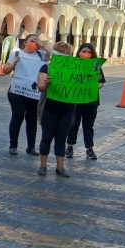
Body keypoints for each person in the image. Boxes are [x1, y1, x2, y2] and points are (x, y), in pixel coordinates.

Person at [36, 42, 77, 177]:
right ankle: (43, 165)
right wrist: (45, 84)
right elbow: (40, 86)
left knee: (61, 138)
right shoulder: (46, 67)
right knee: (46, 136)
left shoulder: (74, 69)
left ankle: (60, 167)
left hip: (68, 108)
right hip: (50, 107)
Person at [3, 34, 44, 156]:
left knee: (32, 120)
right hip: (17, 92)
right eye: (32, 41)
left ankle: (31, 147)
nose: (34, 44)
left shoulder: (41, 55)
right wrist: (13, 64)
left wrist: (42, 45)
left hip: (34, 93)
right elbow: (5, 70)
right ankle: (13, 145)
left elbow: (54, 54)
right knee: (17, 117)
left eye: (36, 42)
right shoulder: (16, 54)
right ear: (25, 42)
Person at [66, 43, 105, 160]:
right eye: (84, 51)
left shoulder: (96, 65)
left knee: (88, 125)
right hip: (76, 100)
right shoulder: (74, 65)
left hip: (91, 100)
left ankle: (89, 148)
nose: (86, 54)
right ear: (78, 52)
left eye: (89, 52)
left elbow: (101, 82)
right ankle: (70, 147)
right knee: (73, 124)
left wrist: (91, 88)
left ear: (92, 54)